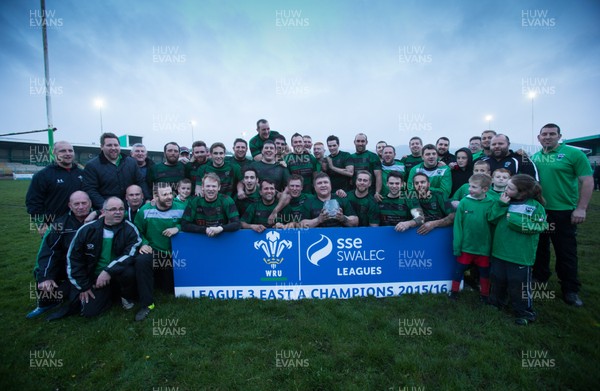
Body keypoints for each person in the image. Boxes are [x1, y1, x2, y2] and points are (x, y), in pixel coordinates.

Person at [531, 123, 593, 307]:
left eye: (552, 134)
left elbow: (587, 181)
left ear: (560, 136)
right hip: (540, 212)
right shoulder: (536, 157)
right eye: (544, 134)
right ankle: (540, 279)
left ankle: (570, 289)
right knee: (539, 248)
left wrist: (581, 208)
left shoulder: (574, 154)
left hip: (564, 212)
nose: (548, 137)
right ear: (539, 137)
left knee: (565, 251)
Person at [64, 197, 141, 318]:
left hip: (117, 273)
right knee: (89, 313)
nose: (118, 212)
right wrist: (84, 286)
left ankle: (124, 295)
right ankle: (108, 295)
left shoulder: (130, 229)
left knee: (130, 272)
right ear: (103, 212)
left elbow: (130, 254)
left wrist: (108, 271)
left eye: (121, 209)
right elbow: (73, 259)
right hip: (95, 278)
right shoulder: (87, 230)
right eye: (113, 209)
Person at [488, 174, 548, 325]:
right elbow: (491, 218)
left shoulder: (535, 207)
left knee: (519, 284)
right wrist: (500, 205)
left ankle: (524, 312)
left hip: (520, 254)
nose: (505, 189)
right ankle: (496, 302)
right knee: (497, 279)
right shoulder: (503, 201)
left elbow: (539, 226)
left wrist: (512, 219)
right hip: (499, 251)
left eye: (510, 188)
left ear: (522, 193)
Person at [26, 191, 93, 319]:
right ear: (70, 206)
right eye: (76, 204)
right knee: (42, 273)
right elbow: (49, 251)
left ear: (90, 203)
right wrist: (45, 276)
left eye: (84, 203)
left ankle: (68, 294)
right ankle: (45, 303)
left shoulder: (98, 220)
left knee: (75, 298)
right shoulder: (59, 224)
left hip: (87, 267)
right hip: (65, 264)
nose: (80, 207)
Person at [133, 184, 185, 321]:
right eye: (165, 194)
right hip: (154, 251)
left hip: (176, 254)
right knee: (141, 261)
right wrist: (143, 243)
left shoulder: (181, 207)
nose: (169, 197)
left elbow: (190, 222)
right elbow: (136, 230)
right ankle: (147, 304)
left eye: (170, 193)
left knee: (168, 288)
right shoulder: (144, 210)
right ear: (155, 197)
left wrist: (178, 228)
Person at [450, 174, 495, 302]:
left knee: (484, 273)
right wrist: (457, 245)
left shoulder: (491, 203)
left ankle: (485, 295)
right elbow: (458, 225)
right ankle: (454, 292)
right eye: (470, 186)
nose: (470, 189)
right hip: (466, 247)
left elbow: (493, 224)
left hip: (483, 248)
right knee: (459, 270)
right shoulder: (464, 202)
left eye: (474, 187)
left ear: (485, 189)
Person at [26, 141, 84, 237]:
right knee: (55, 251)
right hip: (55, 225)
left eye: (70, 150)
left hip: (81, 223)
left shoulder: (82, 173)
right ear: (54, 153)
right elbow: (33, 202)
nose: (68, 153)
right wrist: (41, 224)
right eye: (63, 151)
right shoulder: (42, 175)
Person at [83, 132, 149, 210]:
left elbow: (140, 182)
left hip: (131, 208)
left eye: (116, 145)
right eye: (109, 145)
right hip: (108, 211)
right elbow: (90, 190)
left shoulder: (131, 162)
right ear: (101, 147)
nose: (113, 148)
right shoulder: (92, 165)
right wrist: (105, 207)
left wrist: (147, 199)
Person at [350, 133, 383, 200]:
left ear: (366, 142)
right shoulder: (350, 157)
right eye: (358, 141)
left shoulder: (373, 156)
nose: (360, 143)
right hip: (354, 193)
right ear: (354, 142)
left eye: (362, 141)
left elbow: (378, 176)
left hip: (370, 194)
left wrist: (377, 192)